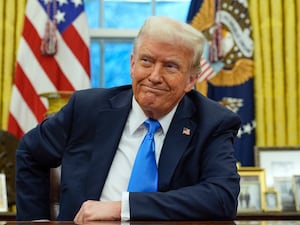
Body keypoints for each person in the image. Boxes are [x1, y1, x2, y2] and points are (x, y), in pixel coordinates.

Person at [16, 16, 241, 223]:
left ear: (191, 79)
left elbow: (222, 198)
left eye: (170, 66)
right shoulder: (87, 109)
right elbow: (30, 152)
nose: (154, 77)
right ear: (132, 64)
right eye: (146, 61)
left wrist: (123, 207)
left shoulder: (213, 122)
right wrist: (37, 222)